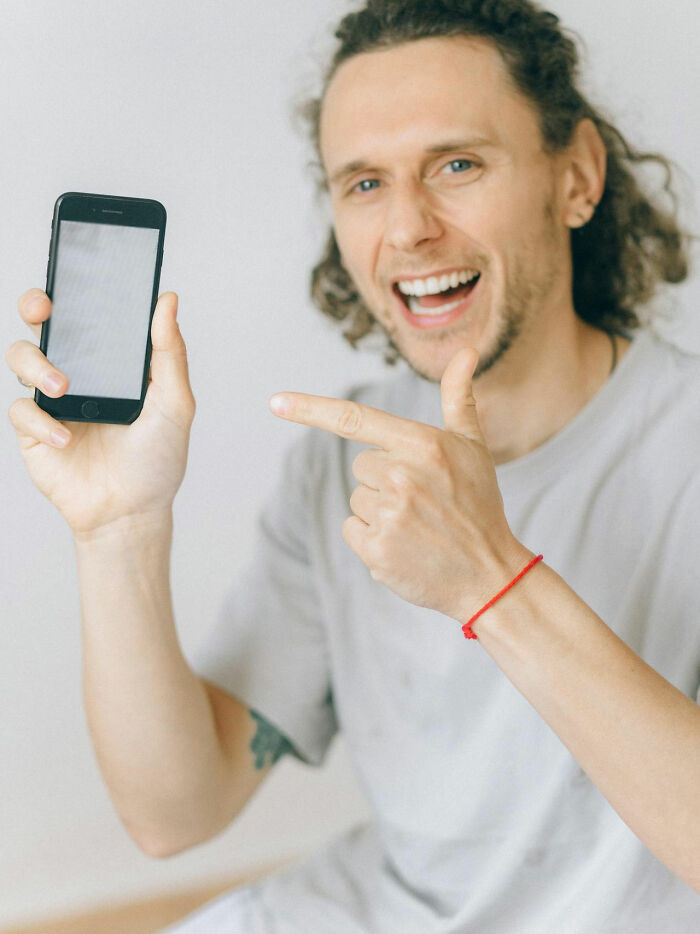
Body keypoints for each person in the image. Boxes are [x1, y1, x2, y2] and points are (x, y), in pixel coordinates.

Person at [7, 0, 700, 931]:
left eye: (457, 164)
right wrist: (117, 529)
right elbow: (176, 814)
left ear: (575, 177)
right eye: (364, 183)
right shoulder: (340, 465)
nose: (408, 229)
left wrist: (491, 580)